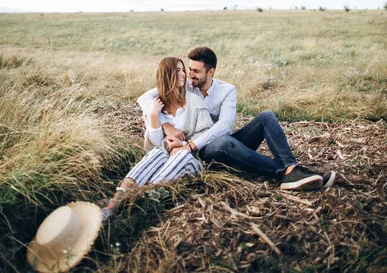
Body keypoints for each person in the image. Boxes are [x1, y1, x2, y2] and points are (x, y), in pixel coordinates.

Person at [138, 47, 336, 191]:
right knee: (224, 142)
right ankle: (285, 173)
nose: (191, 76)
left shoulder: (226, 90)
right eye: (189, 70)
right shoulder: (188, 85)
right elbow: (145, 98)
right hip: (208, 152)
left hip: (217, 142)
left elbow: (225, 126)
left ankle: (290, 168)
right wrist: (165, 125)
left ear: (211, 72)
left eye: (196, 72)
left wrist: (191, 145)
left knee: (266, 116)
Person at [101, 56, 213, 221]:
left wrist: (183, 144)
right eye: (177, 71)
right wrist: (154, 116)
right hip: (162, 160)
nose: (183, 74)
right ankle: (113, 205)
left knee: (180, 155)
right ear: (166, 75)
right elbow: (152, 146)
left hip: (190, 159)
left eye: (183, 70)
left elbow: (208, 134)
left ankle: (140, 202)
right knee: (156, 154)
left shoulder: (195, 102)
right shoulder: (156, 105)